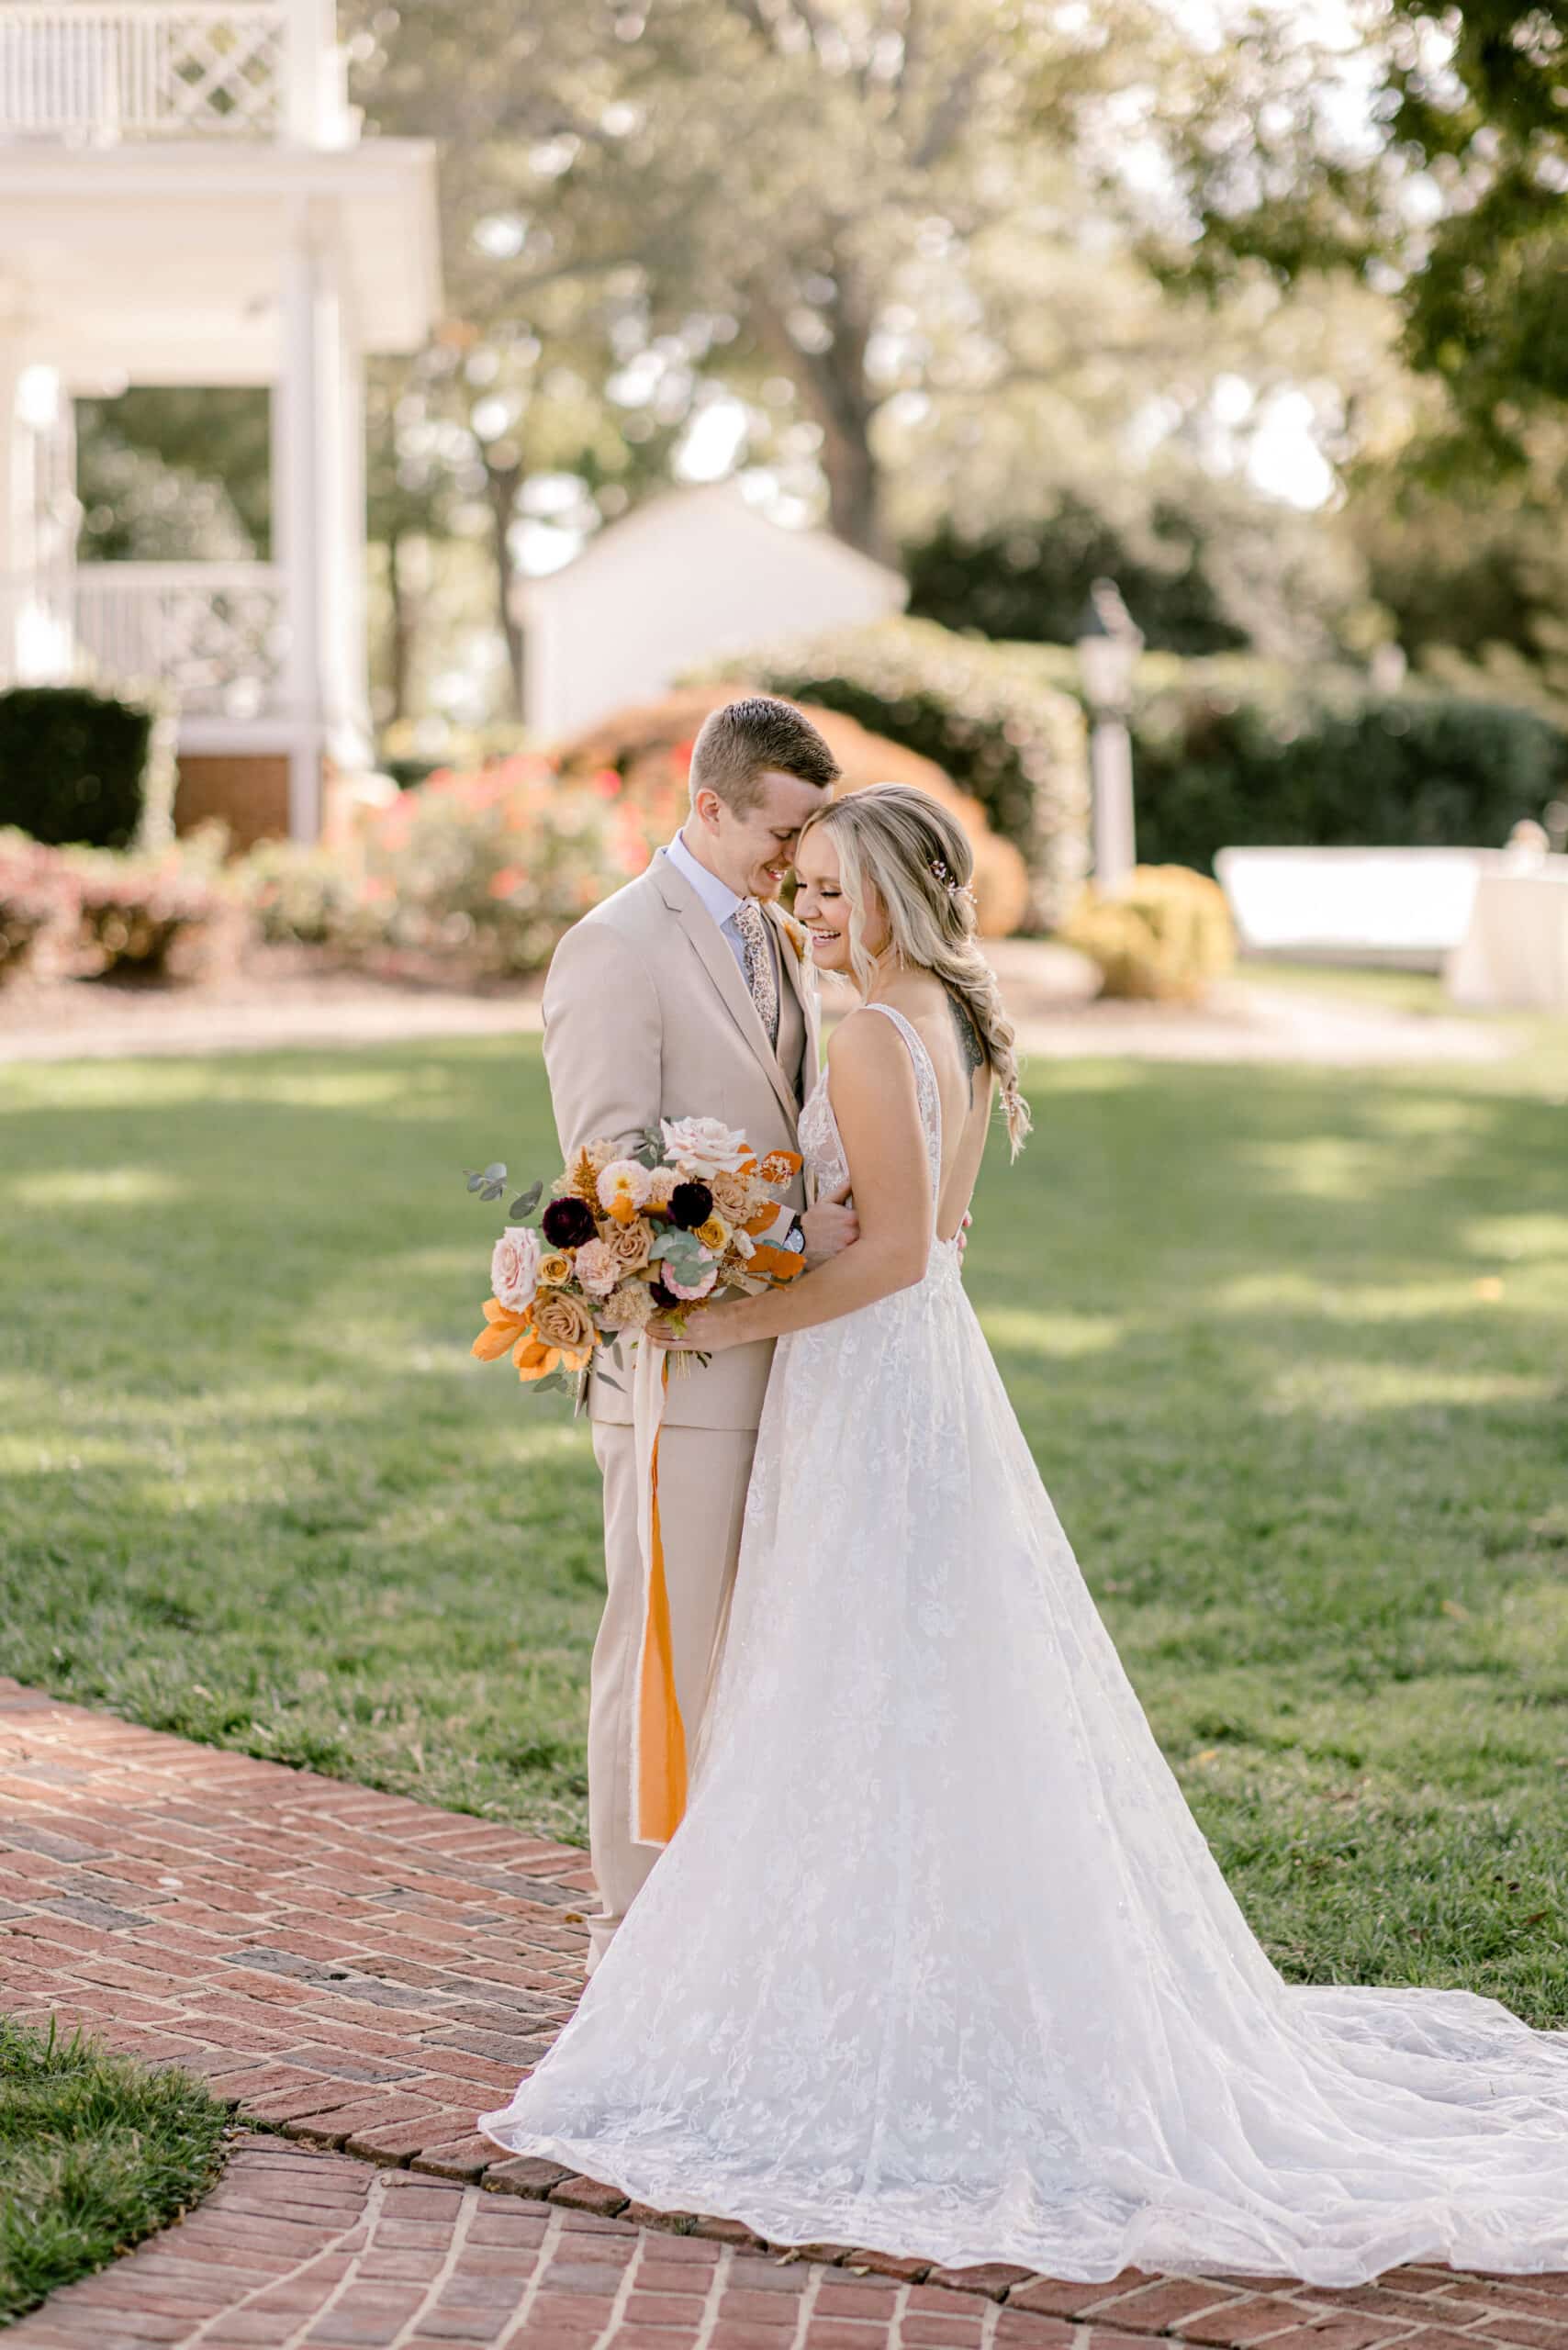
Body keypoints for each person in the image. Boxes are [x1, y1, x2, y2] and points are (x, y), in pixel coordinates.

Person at [484, 781, 1568, 2285]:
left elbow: (895, 1257)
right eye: (803, 891)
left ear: (896, 896)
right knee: (920, 1683)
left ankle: (867, 1996)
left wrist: (719, 1313)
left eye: (835, 892)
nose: (813, 914)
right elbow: (940, 1237)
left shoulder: (870, 1030)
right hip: (921, 1380)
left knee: (849, 1671)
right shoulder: (957, 1019)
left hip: (868, 1379)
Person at [540, 695, 857, 1975]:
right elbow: (606, 1177)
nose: (796, 865)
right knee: (660, 1643)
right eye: (778, 836)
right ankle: (631, 1933)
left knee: (746, 1650)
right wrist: (792, 1224)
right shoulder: (615, 948)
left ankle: (718, 1921)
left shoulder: (775, 941)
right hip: (680, 1363)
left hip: (787, 1351)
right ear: (708, 805)